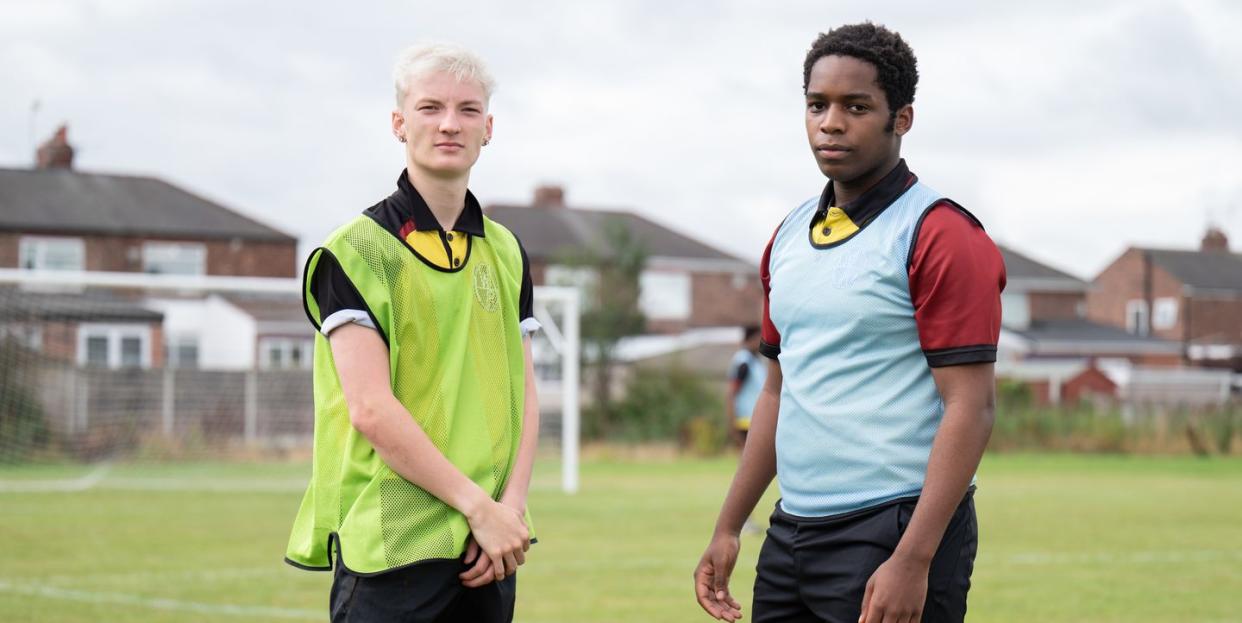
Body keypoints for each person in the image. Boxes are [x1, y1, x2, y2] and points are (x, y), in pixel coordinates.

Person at [694, 23, 1006, 623]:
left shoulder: (940, 233)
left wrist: (913, 559)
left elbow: (972, 406)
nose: (831, 123)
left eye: (856, 107)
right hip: (793, 531)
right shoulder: (785, 237)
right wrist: (729, 526)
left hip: (894, 528)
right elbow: (779, 391)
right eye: (818, 105)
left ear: (902, 118)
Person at [284, 43, 541, 623]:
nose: (450, 123)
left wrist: (510, 510)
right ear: (400, 123)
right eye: (431, 107)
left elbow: (524, 392)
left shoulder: (505, 251)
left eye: (468, 110)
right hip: (393, 549)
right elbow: (371, 409)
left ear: (489, 128)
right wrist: (478, 507)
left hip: (490, 545)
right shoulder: (351, 251)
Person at [726, 326, 767, 449]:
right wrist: (731, 420)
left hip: (756, 418)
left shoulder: (755, 361)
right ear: (751, 339)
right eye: (760, 338)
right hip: (746, 420)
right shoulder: (744, 362)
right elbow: (731, 392)